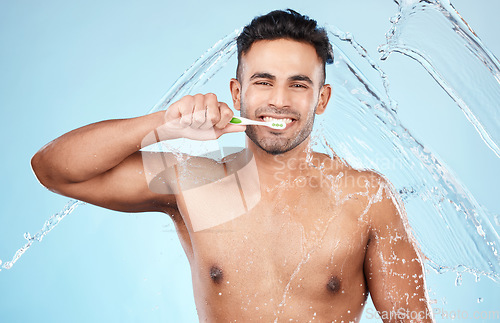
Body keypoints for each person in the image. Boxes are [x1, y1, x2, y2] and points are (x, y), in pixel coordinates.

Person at [31, 9, 433, 322]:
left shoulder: (365, 197)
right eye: (263, 81)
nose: (279, 100)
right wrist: (165, 125)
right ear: (237, 93)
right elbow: (54, 169)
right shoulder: (192, 184)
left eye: (298, 84)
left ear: (322, 99)